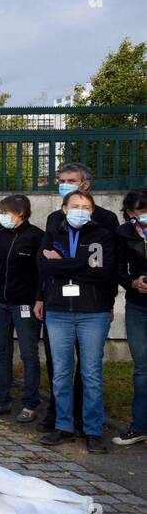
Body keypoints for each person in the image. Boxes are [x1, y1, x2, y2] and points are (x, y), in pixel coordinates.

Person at [38, 163, 120, 433]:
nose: (64, 184)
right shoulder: (53, 221)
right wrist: (81, 264)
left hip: (93, 307)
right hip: (58, 306)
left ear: (86, 184)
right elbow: (44, 265)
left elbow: (106, 270)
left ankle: (90, 426)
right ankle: (61, 421)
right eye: (61, 180)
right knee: (59, 369)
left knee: (90, 372)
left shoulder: (105, 222)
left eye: (70, 180)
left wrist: (65, 263)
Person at [0, 195, 44, 422]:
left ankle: (30, 403)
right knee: (1, 352)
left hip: (24, 304)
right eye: (1, 212)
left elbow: (41, 274)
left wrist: (39, 299)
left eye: (7, 213)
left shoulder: (36, 236)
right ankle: (1, 400)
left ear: (21, 213)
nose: (3, 217)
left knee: (28, 354)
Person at [113, 189, 147, 446]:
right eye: (134, 212)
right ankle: (139, 426)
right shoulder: (124, 232)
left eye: (143, 209)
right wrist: (132, 282)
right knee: (143, 367)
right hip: (138, 305)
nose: (140, 216)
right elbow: (117, 267)